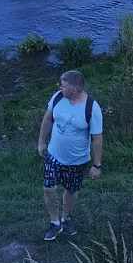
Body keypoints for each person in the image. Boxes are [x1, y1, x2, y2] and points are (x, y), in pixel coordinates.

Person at [36, 69, 102, 242]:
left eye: (63, 86)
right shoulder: (58, 97)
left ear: (74, 89)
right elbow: (48, 118)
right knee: (48, 188)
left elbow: (97, 138)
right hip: (53, 154)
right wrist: (42, 142)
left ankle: (65, 218)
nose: (60, 88)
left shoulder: (91, 108)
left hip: (76, 160)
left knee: (71, 190)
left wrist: (96, 166)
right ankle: (54, 221)